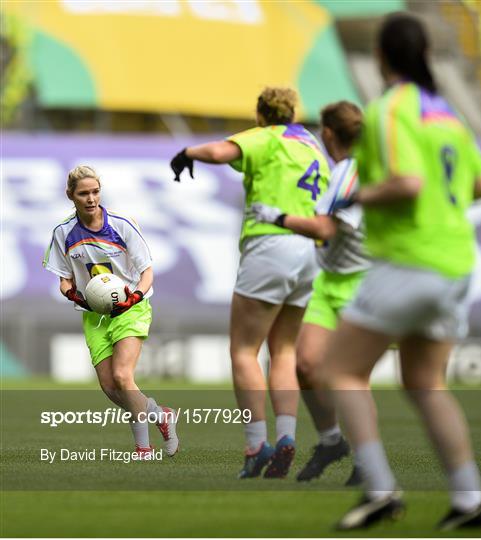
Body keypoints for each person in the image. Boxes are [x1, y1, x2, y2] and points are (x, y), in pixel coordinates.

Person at [316, 14, 481, 530]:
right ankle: (468, 500)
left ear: (382, 55)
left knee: (341, 371)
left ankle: (379, 489)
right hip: (458, 264)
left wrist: (355, 193)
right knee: (424, 383)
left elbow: (408, 182)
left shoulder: (389, 110)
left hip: (409, 261)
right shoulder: (447, 113)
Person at [170, 87, 330, 478]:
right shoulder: (311, 145)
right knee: (285, 351)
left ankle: (257, 443)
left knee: (244, 350)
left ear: (261, 114)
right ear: (293, 112)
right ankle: (288, 436)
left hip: (270, 245)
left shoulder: (266, 136)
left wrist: (186, 153)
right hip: (309, 250)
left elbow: (222, 152)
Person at [247, 101, 369, 484]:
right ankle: (332, 442)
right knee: (306, 364)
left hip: (360, 281)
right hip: (327, 279)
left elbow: (326, 229)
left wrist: (276, 218)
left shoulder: (353, 171)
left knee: (349, 374)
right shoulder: (338, 170)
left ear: (328, 133)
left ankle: (368, 458)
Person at [43, 165, 179, 458]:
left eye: (95, 192)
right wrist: (75, 294)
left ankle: (143, 447)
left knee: (121, 376)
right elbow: (63, 281)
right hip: (94, 314)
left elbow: (147, 272)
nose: (91, 198)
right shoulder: (63, 232)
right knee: (109, 387)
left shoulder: (122, 225)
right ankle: (160, 415)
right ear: (71, 195)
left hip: (131, 308)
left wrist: (136, 297)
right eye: (83, 193)